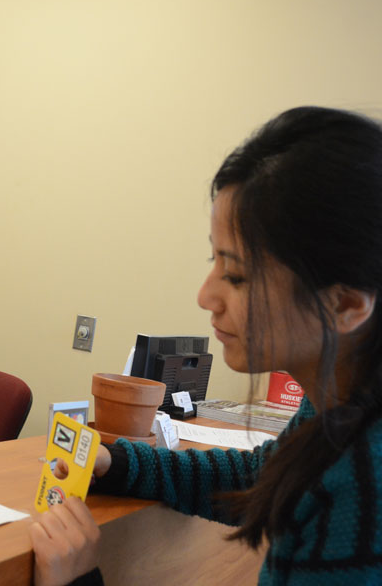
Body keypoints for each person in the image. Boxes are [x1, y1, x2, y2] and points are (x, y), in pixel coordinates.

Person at [30, 106, 382, 585]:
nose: (205, 296)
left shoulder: (361, 500)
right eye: (213, 260)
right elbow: (264, 475)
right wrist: (117, 463)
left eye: (235, 274)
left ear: (345, 304)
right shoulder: (341, 401)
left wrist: (77, 580)